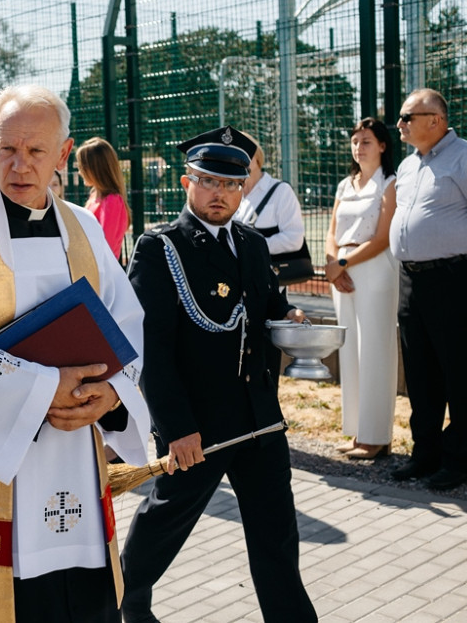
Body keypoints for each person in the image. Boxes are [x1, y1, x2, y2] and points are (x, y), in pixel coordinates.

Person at [0, 85, 151, 623]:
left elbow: (127, 328)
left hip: (73, 483)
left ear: (64, 154)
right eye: (7, 149)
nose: (20, 165)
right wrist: (44, 387)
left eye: (36, 151)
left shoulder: (84, 230)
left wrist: (111, 395)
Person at [120, 126, 316, 623]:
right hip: (198, 427)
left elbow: (267, 305)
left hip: (259, 420)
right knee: (166, 521)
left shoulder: (251, 243)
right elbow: (152, 348)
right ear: (188, 182)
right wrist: (175, 427)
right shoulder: (161, 248)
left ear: (244, 188)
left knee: (277, 539)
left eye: (231, 184)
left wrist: (289, 317)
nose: (220, 194)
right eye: (209, 182)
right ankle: (126, 597)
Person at [389, 88, 467, 491]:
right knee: (419, 371)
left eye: (407, 117)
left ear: (435, 120)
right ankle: (425, 453)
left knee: (456, 370)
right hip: (411, 279)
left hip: (455, 278)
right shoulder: (407, 167)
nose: (400, 124)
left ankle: (459, 459)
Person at [324, 118, 399, 459]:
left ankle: (377, 436)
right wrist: (332, 265)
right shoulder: (344, 185)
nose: (359, 147)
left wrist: (342, 264)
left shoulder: (390, 182)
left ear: (382, 145)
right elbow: (332, 228)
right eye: (355, 141)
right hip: (343, 271)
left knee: (374, 349)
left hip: (372, 269)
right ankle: (356, 432)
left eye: (366, 141)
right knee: (350, 349)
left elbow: (383, 237)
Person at [232, 131, 306, 381]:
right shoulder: (234, 195)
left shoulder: (280, 192)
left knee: (264, 358)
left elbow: (294, 238)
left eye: (246, 155)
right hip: (237, 287)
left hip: (269, 287)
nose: (241, 161)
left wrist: (254, 247)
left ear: (258, 158)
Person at [77, 137, 131, 259]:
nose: (80, 172)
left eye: (82, 167)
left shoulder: (112, 201)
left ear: (95, 169)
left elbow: (106, 246)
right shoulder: (94, 196)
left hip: (101, 272)